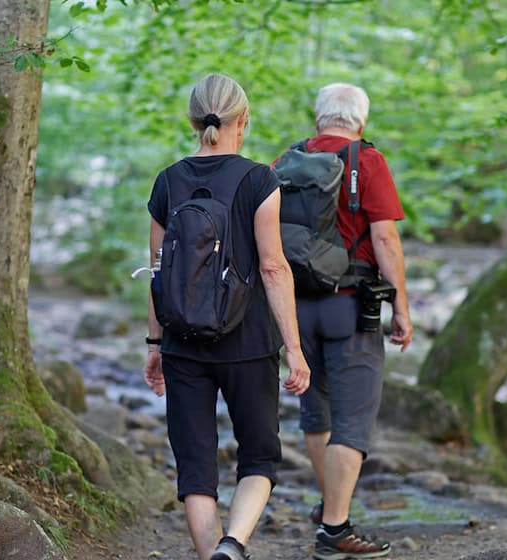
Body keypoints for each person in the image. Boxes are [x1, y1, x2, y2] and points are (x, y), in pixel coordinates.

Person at [142, 73, 311, 560]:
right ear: (244, 119)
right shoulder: (259, 179)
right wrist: (295, 350)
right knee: (259, 455)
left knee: (195, 466)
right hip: (250, 342)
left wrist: (154, 345)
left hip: (181, 344)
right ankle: (233, 544)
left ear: (194, 120)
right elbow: (274, 267)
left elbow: (157, 271)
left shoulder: (167, 181)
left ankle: (213, 553)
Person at [281, 83, 413, 560]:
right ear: (361, 120)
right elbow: (386, 240)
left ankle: (330, 508)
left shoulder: (289, 159)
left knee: (317, 415)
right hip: (350, 305)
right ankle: (334, 529)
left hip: (295, 306)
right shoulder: (367, 161)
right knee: (353, 421)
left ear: (319, 118)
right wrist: (400, 305)